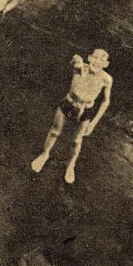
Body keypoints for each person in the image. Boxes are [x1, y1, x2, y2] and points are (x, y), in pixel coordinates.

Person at [31, 49, 113, 185]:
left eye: (101, 60)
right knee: (55, 131)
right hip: (69, 103)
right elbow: (74, 58)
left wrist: (94, 123)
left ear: (106, 64)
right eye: (95, 58)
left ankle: (71, 165)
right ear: (89, 57)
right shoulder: (80, 67)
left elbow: (106, 101)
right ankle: (45, 153)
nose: (97, 62)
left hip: (86, 110)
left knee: (76, 141)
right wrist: (76, 59)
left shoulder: (106, 79)